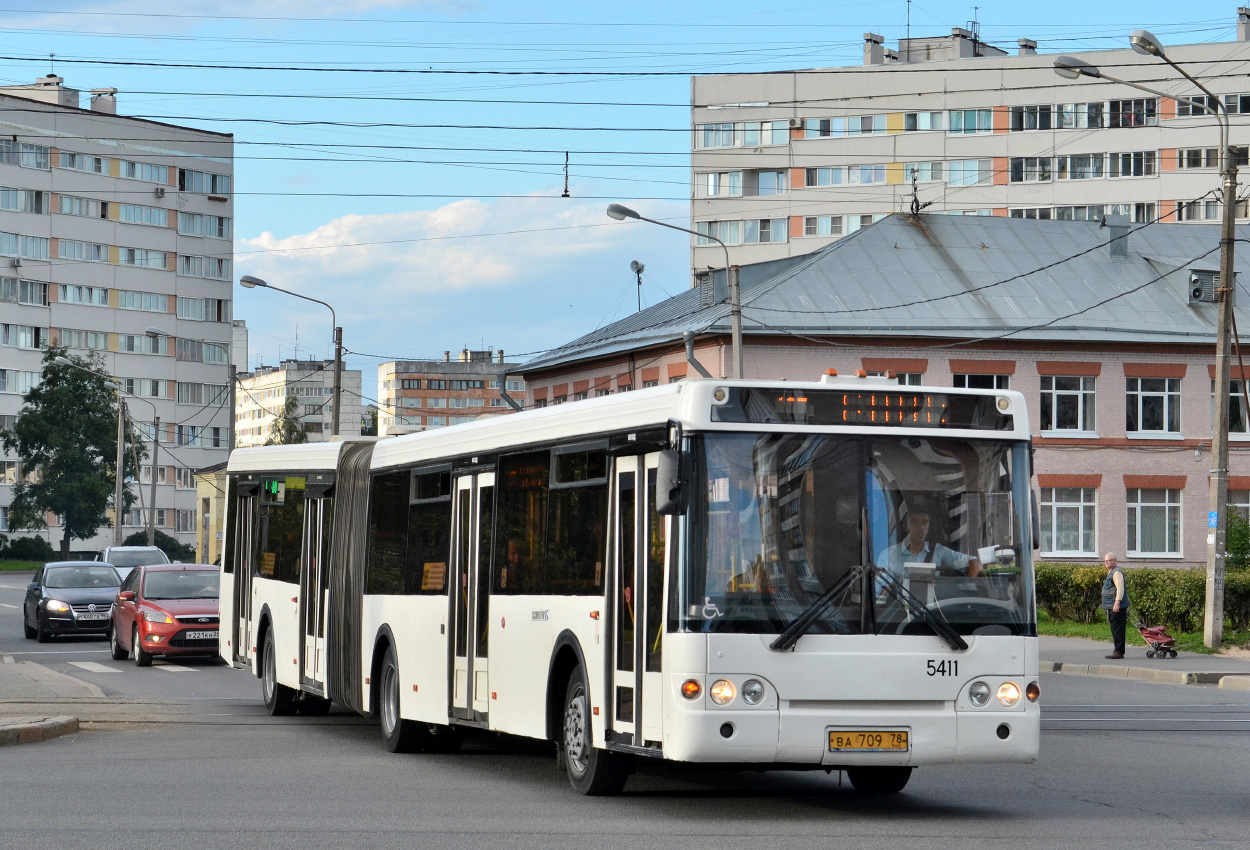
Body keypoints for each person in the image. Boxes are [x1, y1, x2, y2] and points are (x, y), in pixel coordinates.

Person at [876, 510, 983, 587]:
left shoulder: (938, 551)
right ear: (905, 526)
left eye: (925, 522)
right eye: (914, 522)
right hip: (899, 614)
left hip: (932, 612)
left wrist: (970, 586)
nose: (921, 527)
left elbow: (973, 562)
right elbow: (883, 592)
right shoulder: (888, 555)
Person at [1101, 552, 1129, 659]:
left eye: (1109, 560)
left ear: (1115, 561)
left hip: (1116, 606)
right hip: (1112, 605)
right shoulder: (1111, 572)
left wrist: (1117, 603)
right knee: (1115, 628)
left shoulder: (1116, 572)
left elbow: (1120, 589)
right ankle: (1117, 650)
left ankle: (1118, 651)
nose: (1107, 562)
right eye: (1105, 561)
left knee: (1118, 629)